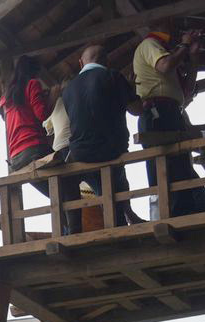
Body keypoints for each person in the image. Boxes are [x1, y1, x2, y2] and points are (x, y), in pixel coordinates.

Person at [61, 45, 142, 232]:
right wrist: (129, 90)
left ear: (81, 63)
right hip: (110, 149)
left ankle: (73, 230)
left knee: (70, 180)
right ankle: (120, 226)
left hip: (80, 152)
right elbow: (137, 110)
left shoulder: (68, 89)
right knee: (116, 187)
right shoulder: (113, 77)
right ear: (107, 62)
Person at [133, 20, 205, 217]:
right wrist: (184, 45)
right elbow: (165, 66)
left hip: (170, 111)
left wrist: (193, 57)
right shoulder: (150, 45)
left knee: (180, 164)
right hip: (157, 113)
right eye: (173, 27)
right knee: (166, 168)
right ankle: (174, 214)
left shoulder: (167, 51)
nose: (176, 32)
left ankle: (185, 211)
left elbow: (187, 89)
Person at [0, 54, 59, 191]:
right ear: (34, 72)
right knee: (69, 185)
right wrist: (53, 97)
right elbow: (42, 114)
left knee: (56, 191)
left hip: (16, 157)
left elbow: (22, 114)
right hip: (34, 149)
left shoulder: (6, 97)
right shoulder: (32, 84)